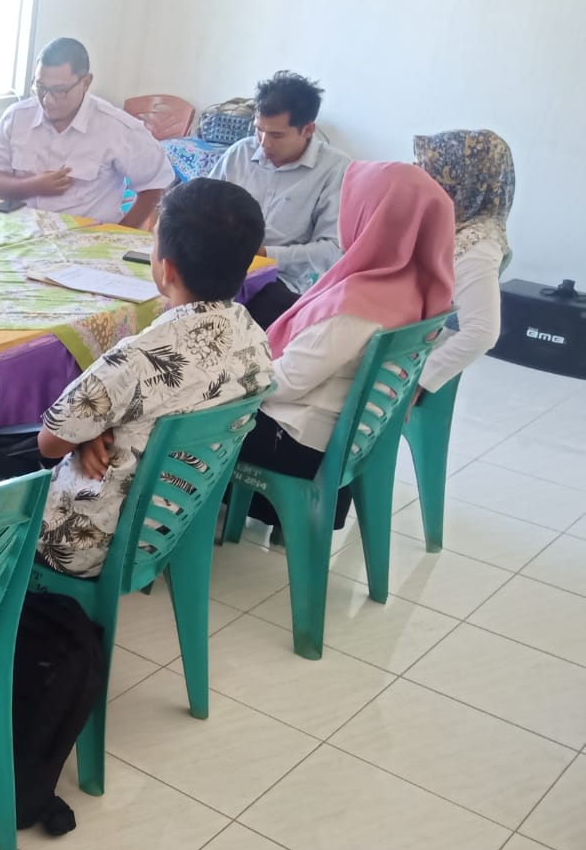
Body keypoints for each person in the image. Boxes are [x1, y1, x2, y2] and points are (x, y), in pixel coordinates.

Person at [34, 177, 274, 575]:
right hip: (171, 523)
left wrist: (90, 432)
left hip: (84, 543)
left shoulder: (137, 357)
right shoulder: (253, 335)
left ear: (166, 268)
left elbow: (49, 444)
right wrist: (99, 430)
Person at [238, 161, 455, 529]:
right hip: (333, 432)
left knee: (182, 417)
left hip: (296, 440)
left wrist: (227, 375)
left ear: (374, 218)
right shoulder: (411, 287)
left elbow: (285, 383)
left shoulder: (359, 305)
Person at [0, 37, 174, 228]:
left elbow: (156, 182)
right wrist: (33, 185)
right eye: (40, 87)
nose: (47, 100)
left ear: (85, 82)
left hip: (88, 238)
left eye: (59, 90)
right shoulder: (17, 117)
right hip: (21, 233)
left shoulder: (116, 127)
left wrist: (122, 233)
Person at [210, 72, 352, 328]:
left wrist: (264, 254)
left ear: (308, 130)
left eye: (276, 135)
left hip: (283, 280)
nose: (264, 143)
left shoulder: (336, 169)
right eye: (259, 130)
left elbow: (332, 251)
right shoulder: (240, 153)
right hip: (224, 266)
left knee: (235, 323)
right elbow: (201, 206)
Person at [412, 129, 514, 393]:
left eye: (432, 170)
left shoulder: (477, 243)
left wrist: (416, 383)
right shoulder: (461, 226)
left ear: (463, 179)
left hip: (411, 366)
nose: (421, 177)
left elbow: (481, 333)